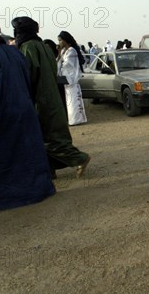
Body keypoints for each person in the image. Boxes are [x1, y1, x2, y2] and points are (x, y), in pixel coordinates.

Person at [0, 13, 55, 210]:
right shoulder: (15, 52)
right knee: (25, 156)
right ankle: (34, 192)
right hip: (24, 113)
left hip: (0, 117)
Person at [12, 17, 91, 179]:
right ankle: (49, 169)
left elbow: (29, 75)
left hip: (40, 98)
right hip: (51, 94)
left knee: (46, 137)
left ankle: (79, 158)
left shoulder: (28, 47)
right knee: (49, 133)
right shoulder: (44, 46)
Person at [57, 31, 88, 125]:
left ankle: (76, 120)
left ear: (65, 40)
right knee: (69, 101)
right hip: (66, 79)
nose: (59, 43)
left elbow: (68, 65)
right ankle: (72, 120)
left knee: (74, 101)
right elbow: (58, 62)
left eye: (60, 40)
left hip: (71, 79)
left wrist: (61, 61)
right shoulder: (63, 51)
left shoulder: (71, 51)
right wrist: (59, 55)